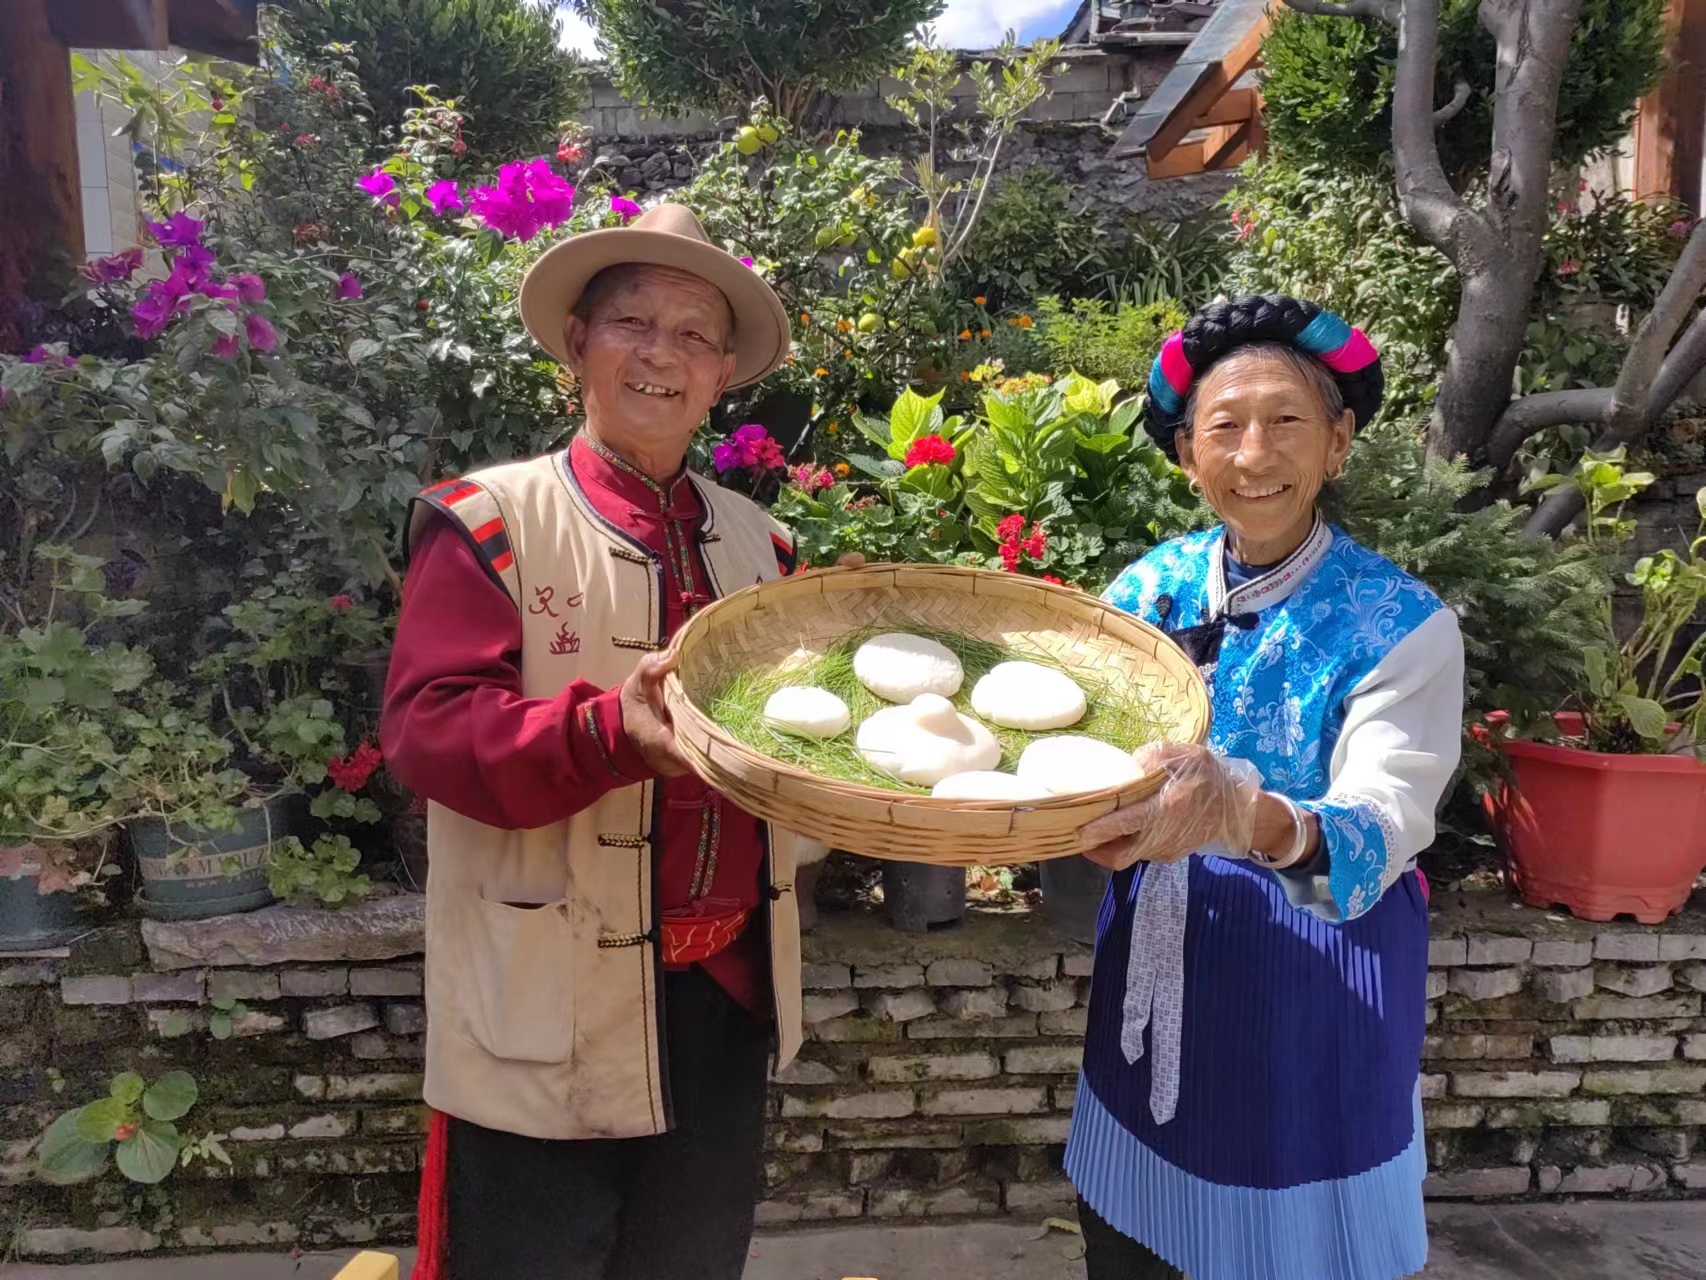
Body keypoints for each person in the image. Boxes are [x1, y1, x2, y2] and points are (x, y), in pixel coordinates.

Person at [382, 203, 815, 1280]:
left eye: (693, 335)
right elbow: (428, 732)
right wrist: (605, 730)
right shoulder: (488, 520)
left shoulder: (765, 546)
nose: (661, 354)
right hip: (546, 997)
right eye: (632, 322)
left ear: (722, 373)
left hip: (724, 995)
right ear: (578, 342)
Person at [1066, 295, 1466, 1280]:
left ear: (1337, 442)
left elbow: (1383, 819)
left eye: (1285, 420)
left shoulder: (1401, 625)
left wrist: (1247, 817)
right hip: (1158, 957)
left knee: (1294, 1248)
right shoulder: (1144, 593)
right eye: (1224, 426)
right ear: (1185, 455)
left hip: (1318, 982)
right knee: (1131, 1239)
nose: (1254, 454)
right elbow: (1076, 746)